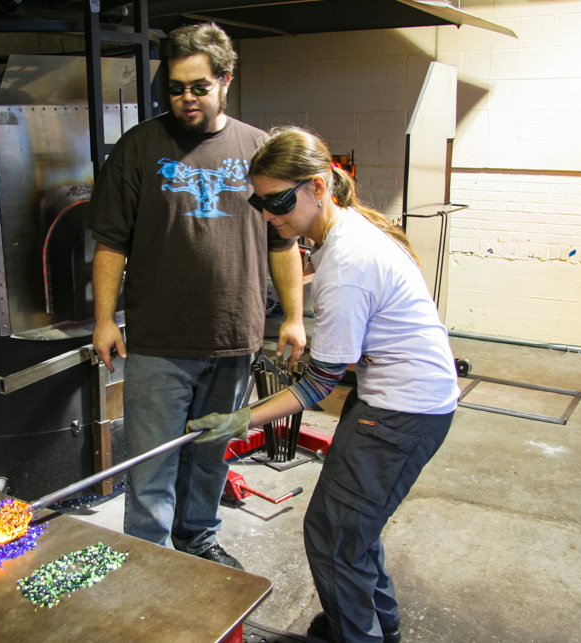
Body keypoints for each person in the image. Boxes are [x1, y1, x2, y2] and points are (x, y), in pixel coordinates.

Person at [187, 126, 459, 641]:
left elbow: (316, 388)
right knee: (353, 528)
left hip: (404, 411)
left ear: (317, 187)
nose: (269, 215)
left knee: (334, 536)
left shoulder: (346, 263)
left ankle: (355, 634)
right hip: (405, 400)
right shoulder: (347, 230)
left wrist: (239, 420)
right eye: (259, 202)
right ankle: (378, 626)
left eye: (279, 201)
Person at [86, 23, 306, 570]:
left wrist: (293, 318)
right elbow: (111, 242)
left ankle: (197, 540)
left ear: (225, 81)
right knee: (151, 465)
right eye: (177, 88)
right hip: (160, 342)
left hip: (234, 336)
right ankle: (149, 557)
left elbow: (284, 241)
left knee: (209, 457)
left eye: (199, 87)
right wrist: (104, 319)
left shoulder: (257, 148)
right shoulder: (140, 147)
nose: (186, 99)